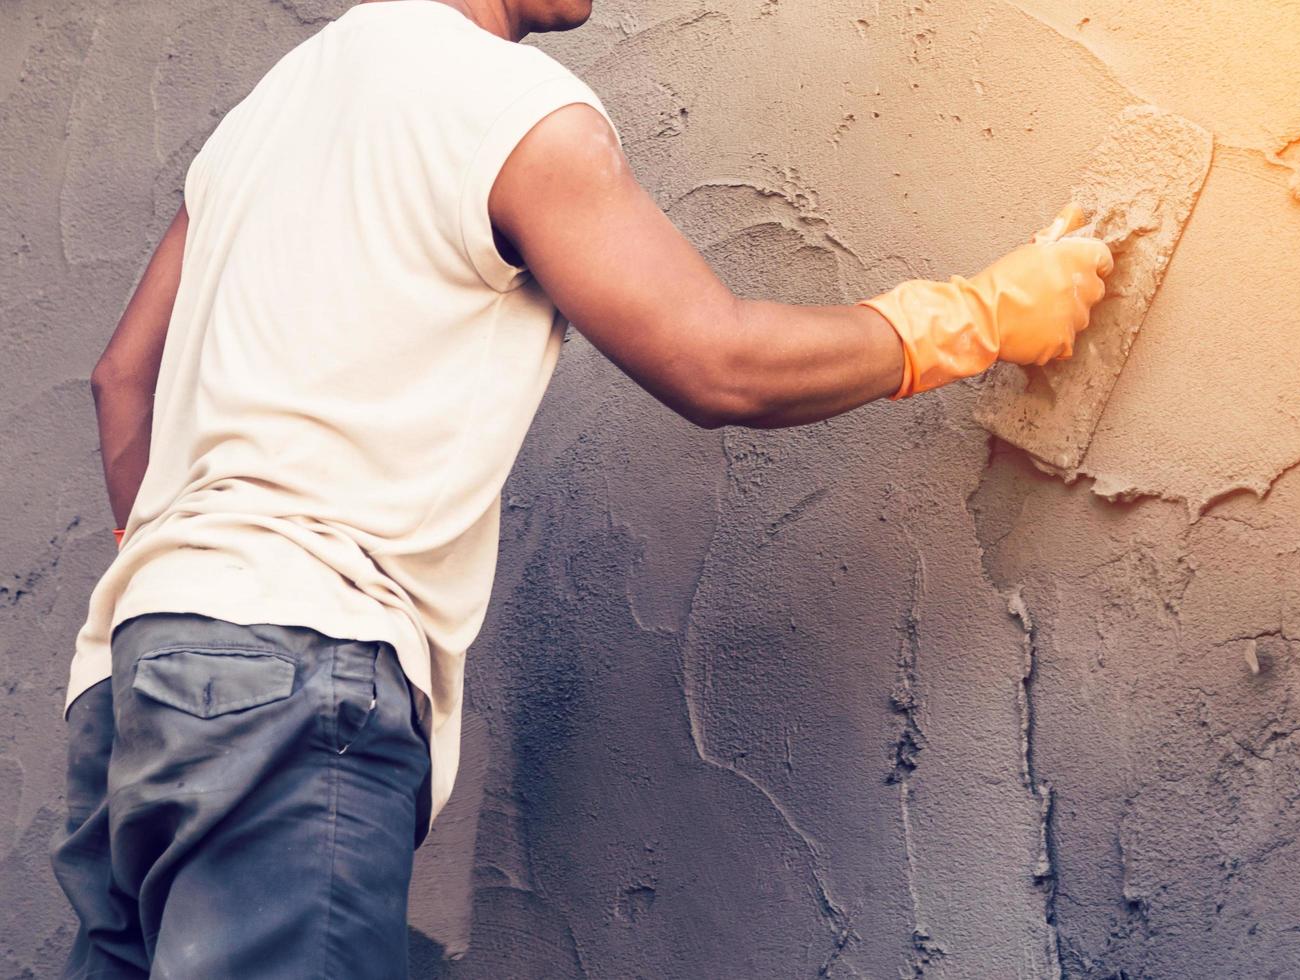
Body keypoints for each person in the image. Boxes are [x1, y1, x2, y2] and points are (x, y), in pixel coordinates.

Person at [52, 0, 1115, 975]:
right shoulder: (512, 111)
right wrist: (978, 314)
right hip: (295, 667)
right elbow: (717, 362)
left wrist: (199, 590)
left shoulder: (268, 110)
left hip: (133, 675)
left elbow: (120, 379)